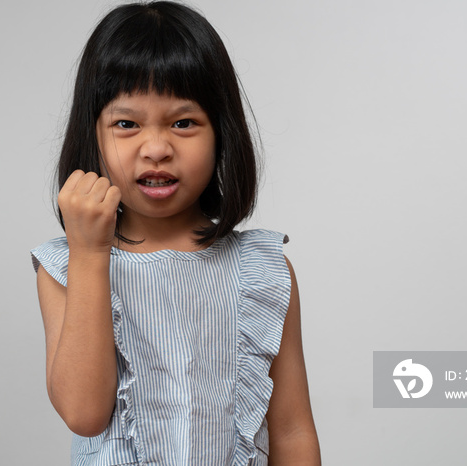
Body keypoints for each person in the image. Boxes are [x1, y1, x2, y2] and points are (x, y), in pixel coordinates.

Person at [31, 2, 320, 464]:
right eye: (126, 124)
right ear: (93, 135)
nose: (157, 148)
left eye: (183, 123)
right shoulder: (66, 265)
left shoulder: (262, 270)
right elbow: (84, 414)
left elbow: (292, 429)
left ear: (222, 133)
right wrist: (89, 252)